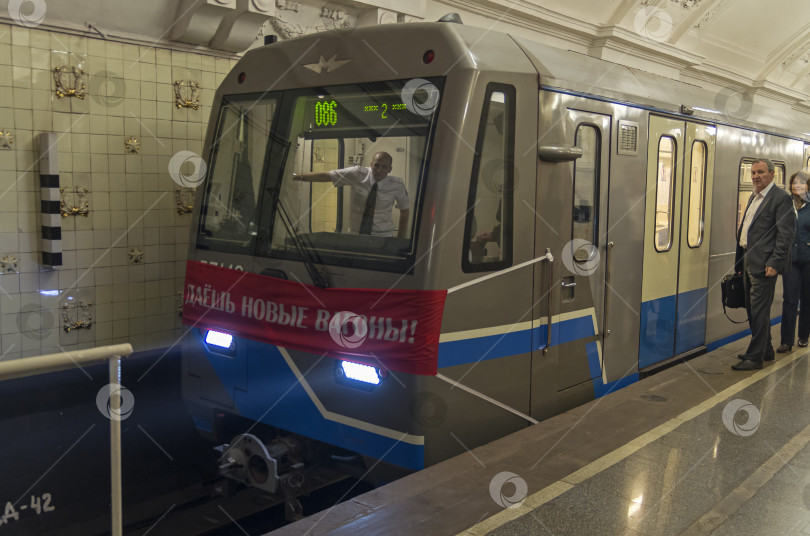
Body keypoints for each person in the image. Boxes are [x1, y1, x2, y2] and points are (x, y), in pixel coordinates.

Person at [733, 158, 796, 370]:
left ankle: (755, 357)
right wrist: (740, 260)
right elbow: (748, 230)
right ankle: (766, 349)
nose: (755, 176)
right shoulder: (755, 196)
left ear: (772, 174)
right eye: (753, 173)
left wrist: (775, 262)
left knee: (759, 311)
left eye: (760, 172)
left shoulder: (781, 198)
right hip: (748, 259)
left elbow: (785, 235)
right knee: (752, 310)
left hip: (764, 264)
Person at [292, 151, 410, 238]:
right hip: (355, 235)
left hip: (384, 236)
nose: (379, 170)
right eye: (376, 165)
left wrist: (399, 242)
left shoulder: (397, 185)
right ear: (371, 164)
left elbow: (404, 212)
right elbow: (327, 176)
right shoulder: (357, 174)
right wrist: (295, 177)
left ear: (390, 169)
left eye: (384, 167)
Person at [779, 170, 810, 352]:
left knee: (806, 299)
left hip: (808, 259)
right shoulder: (785, 204)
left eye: (801, 183)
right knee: (789, 299)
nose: (797, 186)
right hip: (790, 259)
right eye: (794, 183)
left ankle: (803, 336)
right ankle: (786, 340)